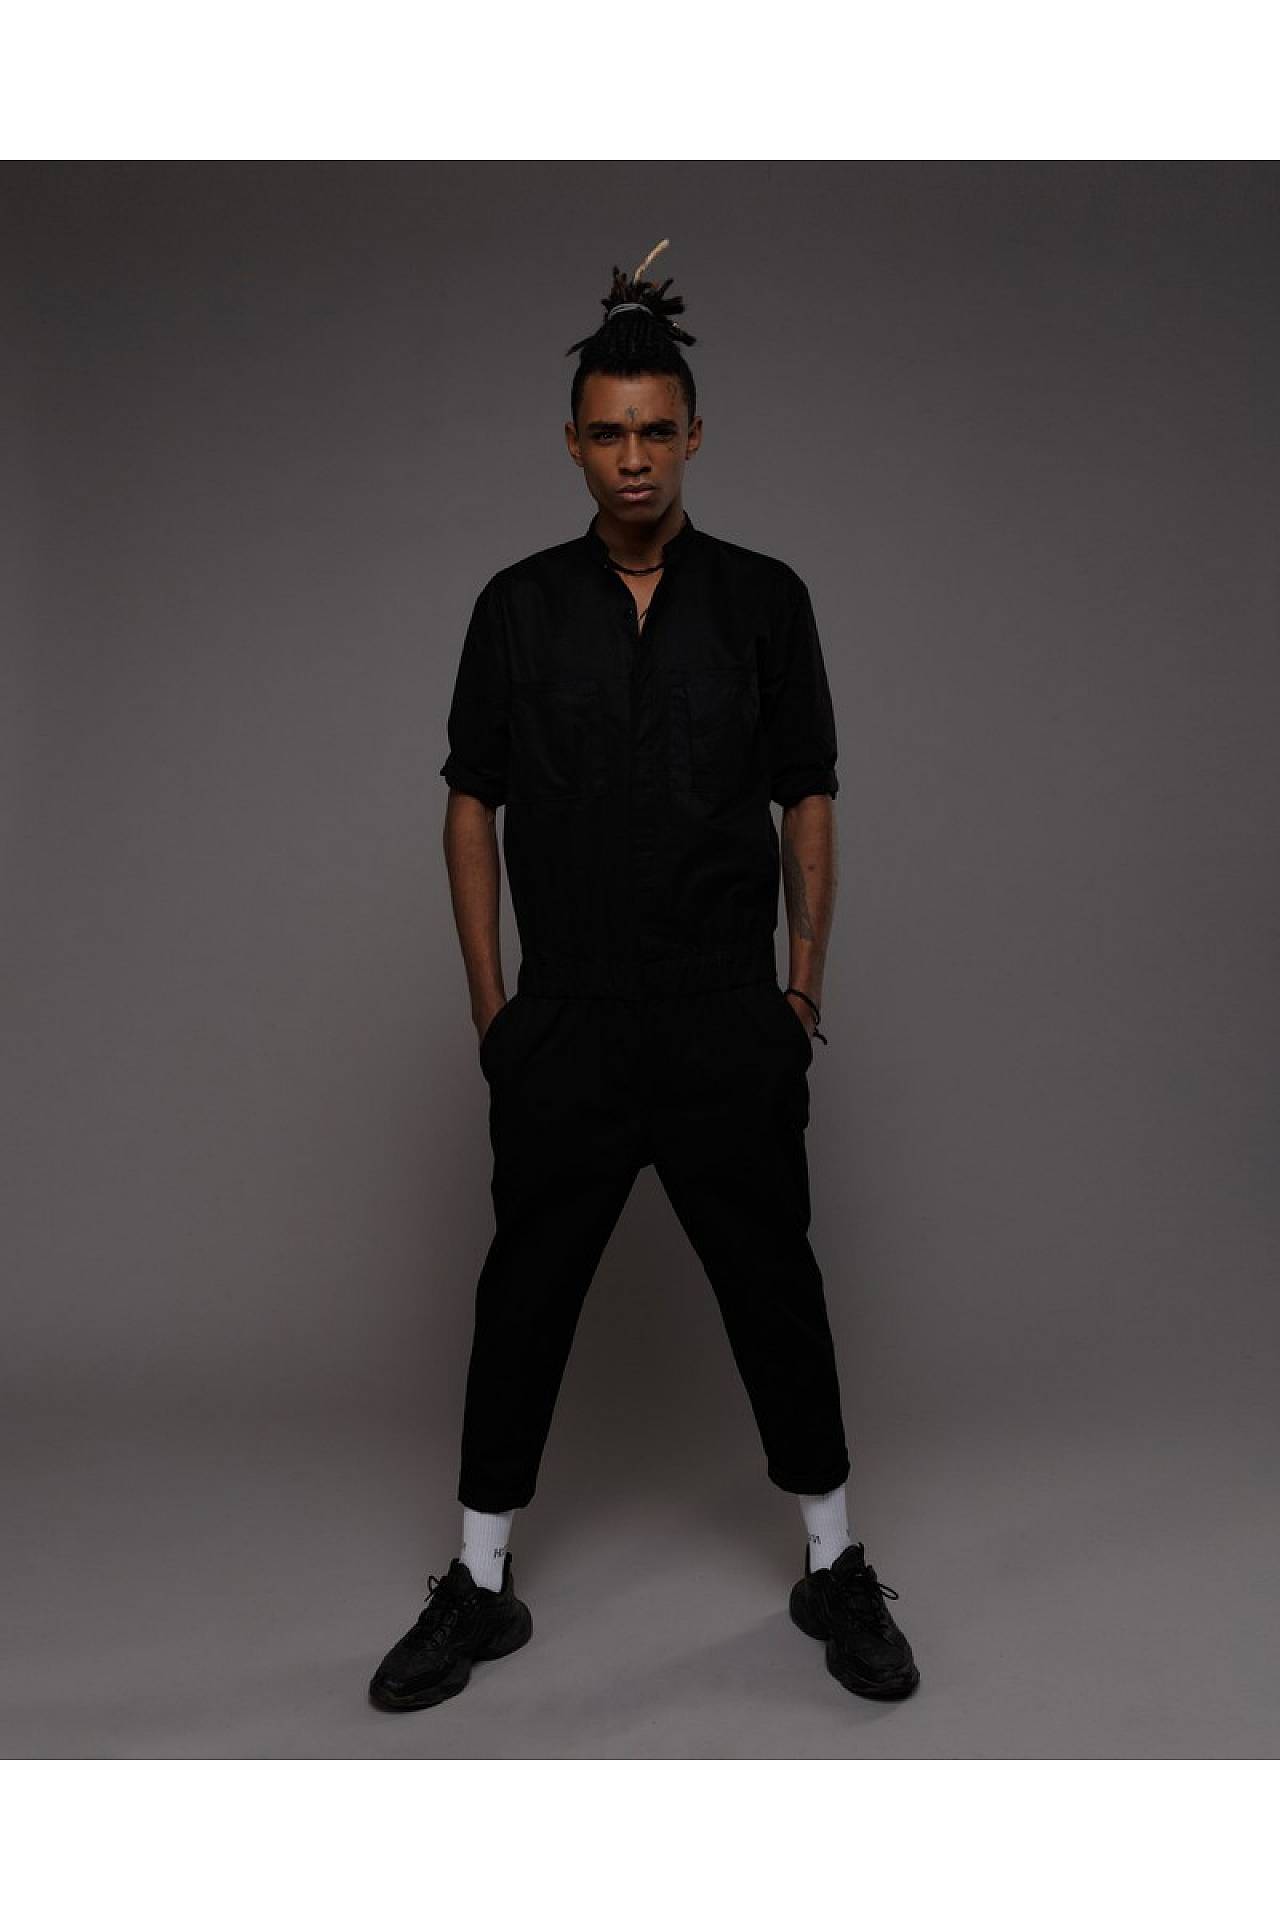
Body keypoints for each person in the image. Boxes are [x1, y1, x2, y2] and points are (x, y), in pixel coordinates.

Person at [368, 241, 919, 1713]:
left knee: (776, 1290)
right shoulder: (516, 606)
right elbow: (470, 800)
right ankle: (477, 1584)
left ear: (693, 436)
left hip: (727, 1012)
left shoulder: (765, 600)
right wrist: (495, 1012)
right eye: (607, 433)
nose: (632, 459)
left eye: (655, 432)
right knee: (523, 1298)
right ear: (572, 441)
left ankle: (835, 1566)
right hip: (569, 1019)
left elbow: (807, 793)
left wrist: (801, 991)